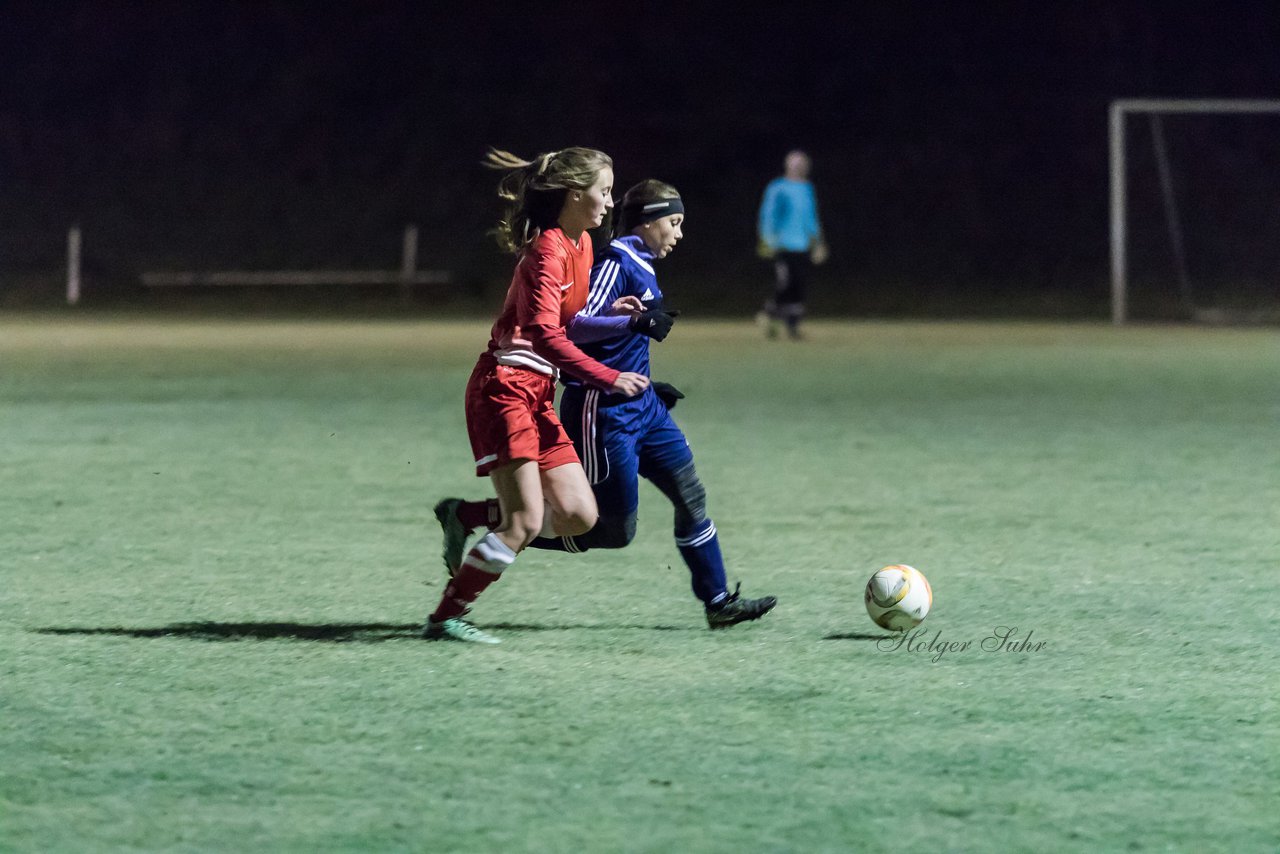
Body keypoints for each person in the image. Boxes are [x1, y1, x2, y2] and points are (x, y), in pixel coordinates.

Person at [437, 180, 777, 629]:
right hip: (605, 411)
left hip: (643, 407)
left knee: (690, 494)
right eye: (673, 223)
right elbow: (572, 332)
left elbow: (614, 334)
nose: (678, 234)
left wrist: (649, 383)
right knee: (611, 529)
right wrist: (631, 327)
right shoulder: (614, 262)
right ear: (648, 220)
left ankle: (718, 603)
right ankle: (477, 516)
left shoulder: (642, 263)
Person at [423, 147, 650, 644]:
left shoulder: (584, 245)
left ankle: (465, 515)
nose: (609, 204)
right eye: (604, 192)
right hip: (504, 388)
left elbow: (570, 323)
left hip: (538, 393)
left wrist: (617, 313)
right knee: (524, 521)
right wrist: (607, 377)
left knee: (579, 515)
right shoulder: (546, 250)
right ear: (574, 194)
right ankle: (445, 618)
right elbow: (545, 336)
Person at [756, 149, 827, 340]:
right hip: (782, 245)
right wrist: (767, 239)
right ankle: (769, 315)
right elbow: (768, 215)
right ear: (788, 166)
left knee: (799, 286)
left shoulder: (807, 188)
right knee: (784, 284)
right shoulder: (778, 187)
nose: (799, 168)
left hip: (802, 246)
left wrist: (818, 243)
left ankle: (792, 326)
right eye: (795, 164)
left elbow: (811, 218)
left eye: (802, 164)